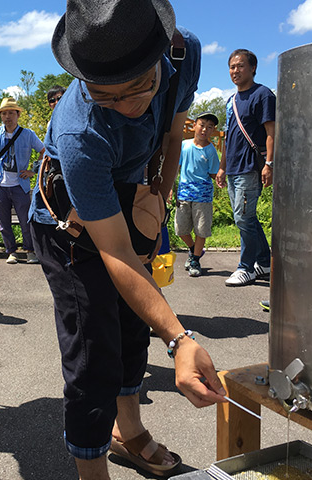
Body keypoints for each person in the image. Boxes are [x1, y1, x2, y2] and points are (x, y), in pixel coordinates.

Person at [29, 1, 226, 478]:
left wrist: (155, 198)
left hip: (133, 199)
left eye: (139, 87)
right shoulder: (80, 130)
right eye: (105, 95)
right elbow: (115, 254)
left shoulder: (183, 54)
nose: (127, 105)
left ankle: (129, 433)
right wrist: (180, 341)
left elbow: (173, 133)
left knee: (135, 328)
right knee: (94, 347)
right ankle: (91, 465)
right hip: (70, 224)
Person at [215, 49, 275, 287]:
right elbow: (228, 138)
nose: (235, 71)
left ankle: (246, 267)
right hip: (233, 168)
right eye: (231, 67)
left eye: (240, 66)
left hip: (251, 167)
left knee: (243, 218)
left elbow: (272, 132)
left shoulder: (263, 95)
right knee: (245, 219)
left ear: (253, 68)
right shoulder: (231, 101)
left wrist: (269, 163)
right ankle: (264, 261)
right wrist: (222, 167)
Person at [0, 97, 45, 265]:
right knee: (4, 222)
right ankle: (11, 252)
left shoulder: (28, 134)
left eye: (11, 113)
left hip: (20, 186)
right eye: (4, 113)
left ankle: (30, 251)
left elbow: (43, 150)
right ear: (1, 116)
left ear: (18, 115)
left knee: (26, 221)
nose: (8, 116)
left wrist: (32, 171)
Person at [174, 112, 220, 277]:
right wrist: (170, 189)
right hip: (184, 194)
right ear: (194, 125)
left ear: (213, 131)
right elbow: (175, 168)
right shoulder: (184, 145)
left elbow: (215, 173)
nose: (205, 130)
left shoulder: (211, 151)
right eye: (202, 125)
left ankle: (195, 260)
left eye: (210, 127)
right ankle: (195, 250)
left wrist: (223, 178)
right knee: (180, 229)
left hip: (203, 196)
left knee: (201, 230)